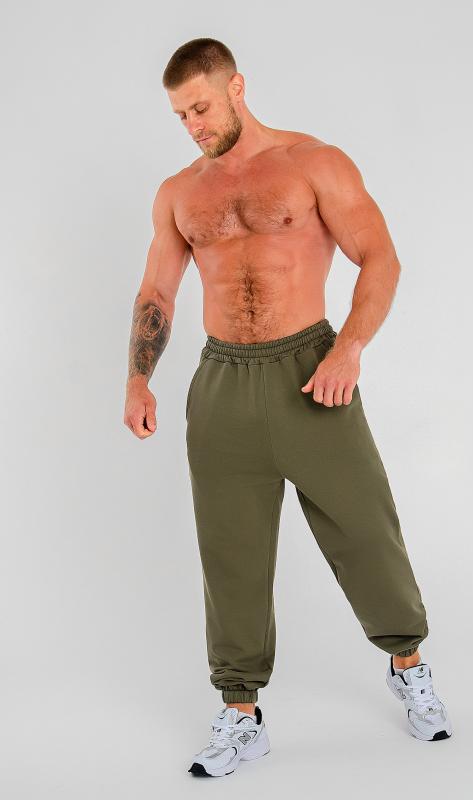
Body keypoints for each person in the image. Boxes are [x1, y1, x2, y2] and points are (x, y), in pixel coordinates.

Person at [123, 37, 452, 777]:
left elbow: (380, 256)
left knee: (365, 530)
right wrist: (138, 378)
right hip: (221, 381)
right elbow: (157, 290)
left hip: (310, 368)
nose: (192, 126)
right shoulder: (178, 192)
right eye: (180, 116)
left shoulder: (313, 163)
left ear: (236, 87)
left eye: (201, 108)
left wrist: (349, 349)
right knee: (230, 553)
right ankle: (240, 714)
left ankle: (408, 665)